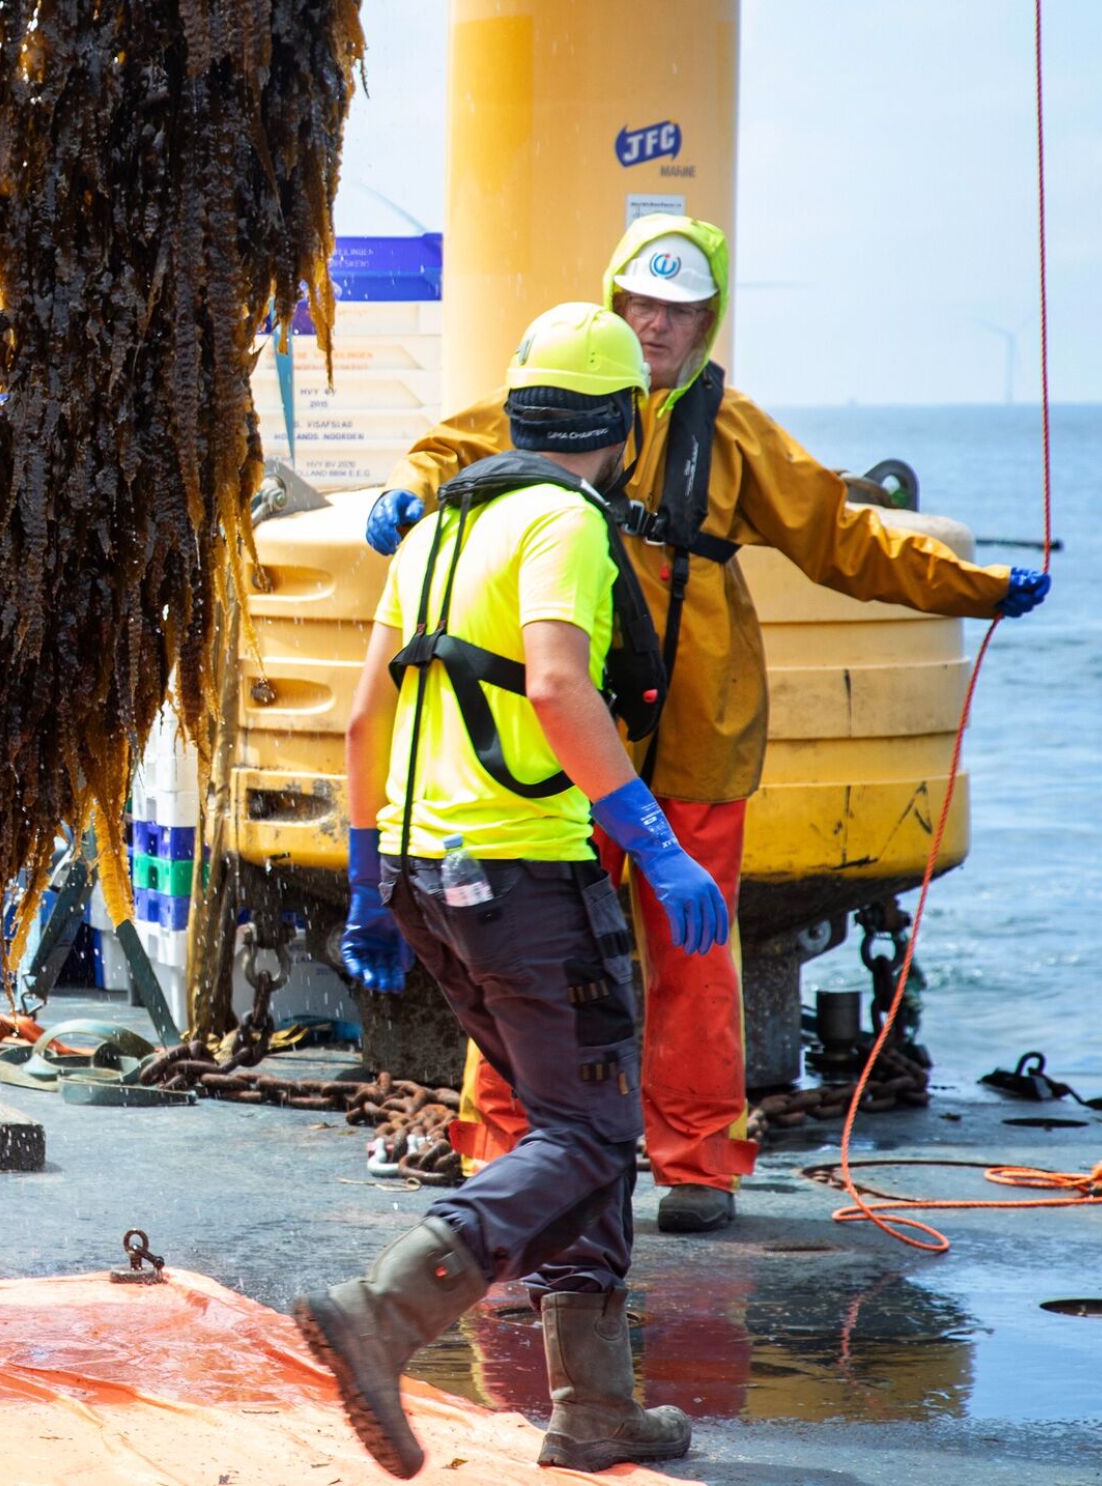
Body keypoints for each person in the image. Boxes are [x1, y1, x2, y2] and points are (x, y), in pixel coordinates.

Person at [361, 216, 1050, 1233]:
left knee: (695, 962)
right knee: (533, 959)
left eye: (678, 310)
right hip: (569, 748)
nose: (654, 326)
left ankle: (697, 1163)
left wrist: (976, 587)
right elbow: (445, 453)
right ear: (612, 301)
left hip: (697, 737)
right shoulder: (559, 395)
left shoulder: (740, 437)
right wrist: (401, 493)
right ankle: (502, 1153)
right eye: (639, 303)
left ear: (707, 320)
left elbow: (845, 539)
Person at [299, 303, 722, 1477]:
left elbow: (365, 714)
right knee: (593, 1126)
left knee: (562, 1128)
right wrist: (653, 840)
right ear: (626, 423)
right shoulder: (563, 523)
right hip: (525, 874)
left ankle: (594, 1407)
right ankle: (382, 1311)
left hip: (432, 878)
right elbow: (554, 685)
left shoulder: (438, 526)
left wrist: (370, 885)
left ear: (518, 409)